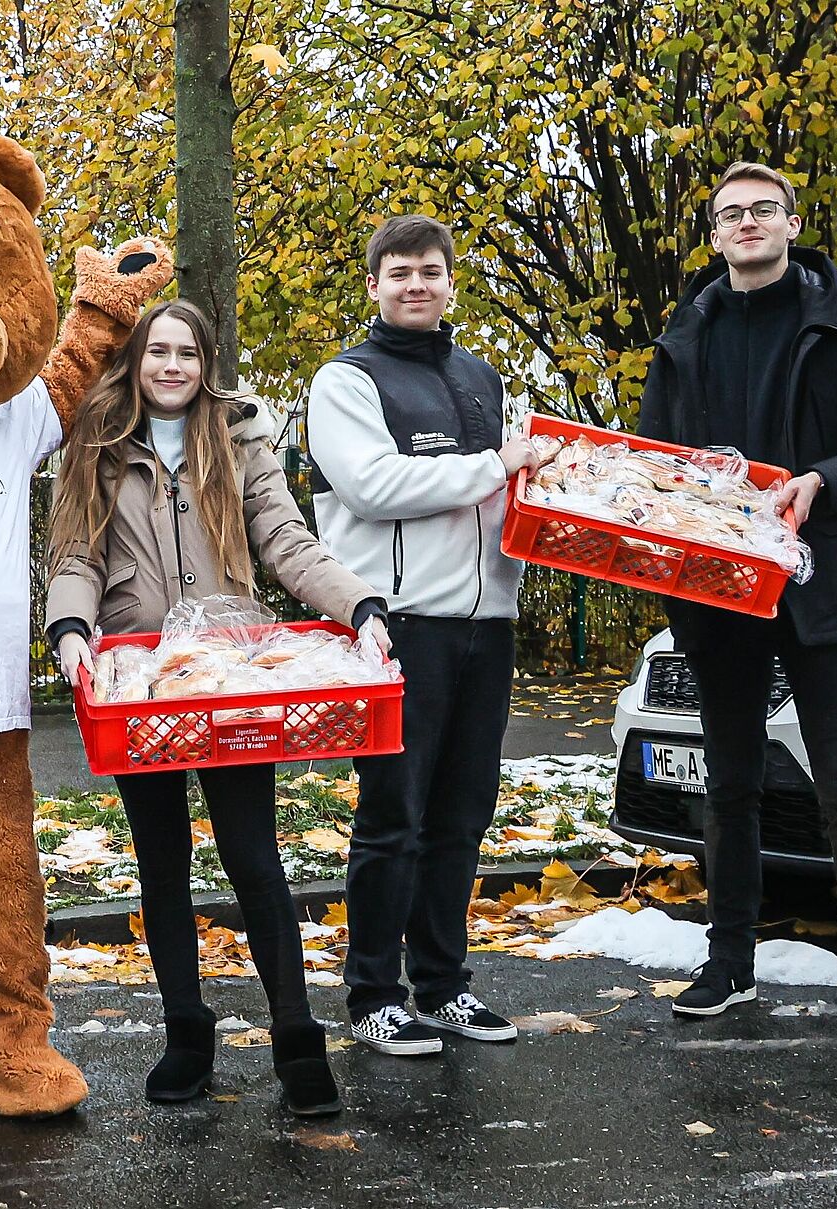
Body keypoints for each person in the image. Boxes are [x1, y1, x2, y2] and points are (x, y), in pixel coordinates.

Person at [45, 299, 390, 1111]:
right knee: (161, 861)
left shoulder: (239, 437)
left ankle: (297, 1037)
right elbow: (74, 551)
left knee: (252, 853)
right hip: (140, 686)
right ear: (135, 360)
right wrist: (68, 626)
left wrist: (360, 605)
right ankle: (184, 1034)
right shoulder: (97, 442)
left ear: (206, 364)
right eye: (157, 352)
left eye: (187, 354)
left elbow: (286, 540)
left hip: (229, 675)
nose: (172, 367)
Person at [638, 162, 837, 1037]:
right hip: (719, 591)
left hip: (820, 584)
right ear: (716, 236)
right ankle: (729, 965)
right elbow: (651, 465)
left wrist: (821, 483)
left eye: (764, 210)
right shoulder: (683, 336)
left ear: (792, 225)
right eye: (731, 214)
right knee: (730, 784)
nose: (748, 223)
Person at [306, 215, 538, 1057]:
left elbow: (508, 496)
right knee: (393, 815)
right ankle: (371, 991)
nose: (416, 284)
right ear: (373, 285)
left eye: (430, 271)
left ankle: (442, 985)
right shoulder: (345, 380)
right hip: (401, 624)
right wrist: (498, 466)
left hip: (488, 625)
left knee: (463, 814)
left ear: (449, 284)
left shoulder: (481, 377)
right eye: (399, 271)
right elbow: (370, 486)